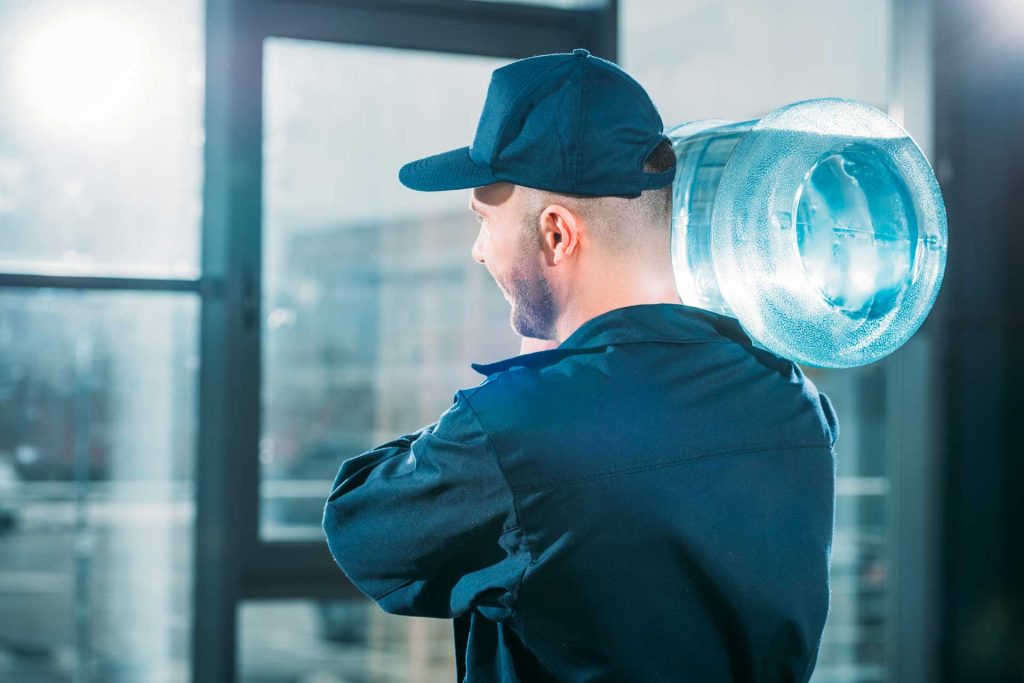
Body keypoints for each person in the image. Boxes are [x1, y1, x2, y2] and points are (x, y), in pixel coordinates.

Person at [322, 48, 839, 682]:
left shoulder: (517, 429)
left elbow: (364, 530)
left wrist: (528, 379)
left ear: (557, 235)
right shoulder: (791, 398)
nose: (480, 252)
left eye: (486, 222)